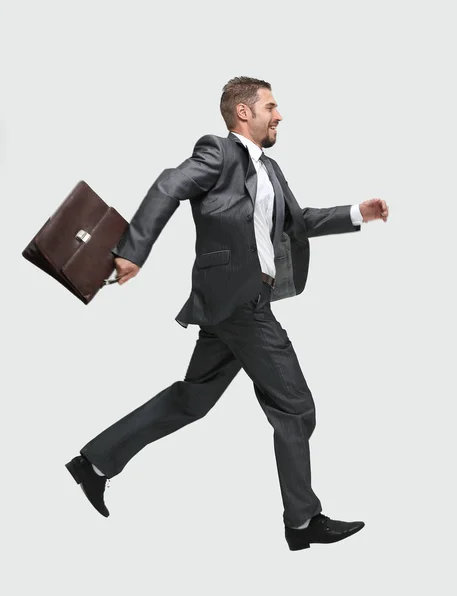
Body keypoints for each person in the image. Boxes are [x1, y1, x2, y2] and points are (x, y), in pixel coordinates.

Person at [65, 76, 389, 551]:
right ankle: (302, 522)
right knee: (295, 407)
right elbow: (168, 185)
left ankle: (94, 462)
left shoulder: (271, 170)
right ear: (244, 113)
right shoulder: (217, 152)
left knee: (192, 400)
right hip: (240, 304)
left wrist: (358, 213)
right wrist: (134, 250)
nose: (279, 115)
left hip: (230, 306)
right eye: (271, 106)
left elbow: (298, 224)